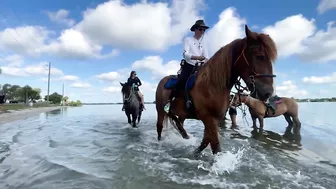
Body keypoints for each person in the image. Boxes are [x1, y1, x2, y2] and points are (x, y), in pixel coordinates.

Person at [171, 19, 210, 99]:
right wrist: (197, 57)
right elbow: (185, 55)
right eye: (200, 29)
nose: (202, 31)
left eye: (204, 30)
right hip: (189, 66)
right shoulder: (188, 40)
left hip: (200, 68)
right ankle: (171, 99)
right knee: (182, 81)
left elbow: (206, 58)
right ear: (195, 29)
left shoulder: (204, 44)